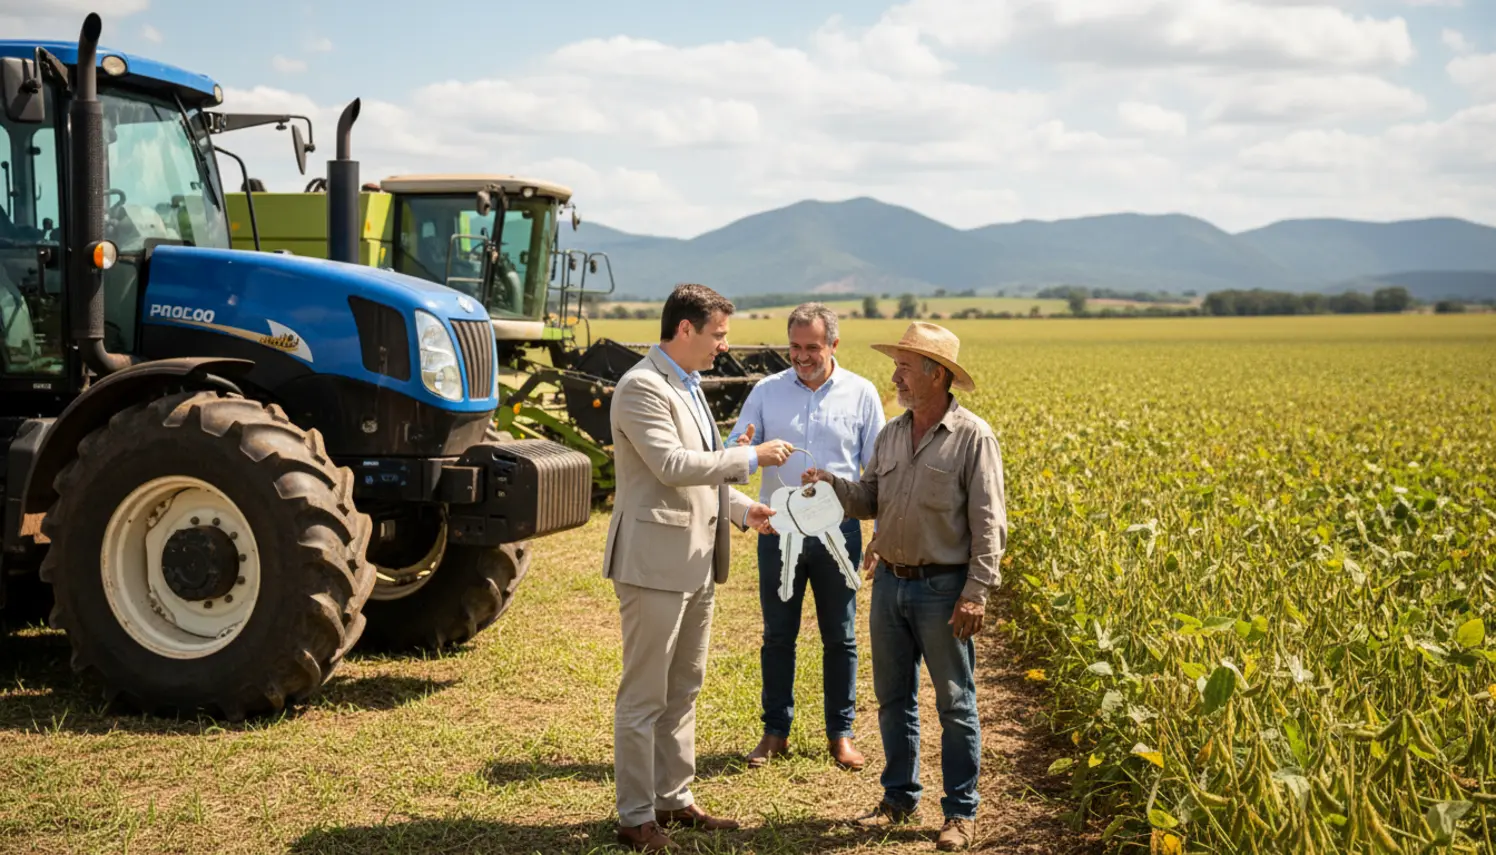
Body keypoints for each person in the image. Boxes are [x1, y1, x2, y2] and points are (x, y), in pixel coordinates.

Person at [802, 321, 1007, 852]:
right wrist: (833, 487)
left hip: (944, 590)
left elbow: (989, 524)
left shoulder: (973, 438)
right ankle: (898, 798)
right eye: (896, 365)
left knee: (956, 703)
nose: (895, 376)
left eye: (905, 366)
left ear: (937, 375)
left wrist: (976, 591)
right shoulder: (892, 433)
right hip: (890, 584)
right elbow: (871, 498)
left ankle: (960, 813)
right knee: (894, 700)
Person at [604, 282, 794, 853]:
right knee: (644, 696)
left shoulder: (686, 383)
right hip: (654, 565)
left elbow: (701, 478)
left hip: (696, 562)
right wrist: (752, 458)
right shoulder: (641, 387)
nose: (722, 347)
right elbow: (671, 465)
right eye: (717, 335)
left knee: (684, 687)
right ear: (684, 329)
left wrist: (743, 510)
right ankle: (635, 816)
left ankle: (674, 798)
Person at [725, 303, 886, 772]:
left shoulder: (862, 393)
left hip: (840, 529)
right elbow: (739, 448)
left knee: (841, 636)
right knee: (778, 635)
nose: (800, 356)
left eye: (811, 347)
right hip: (779, 528)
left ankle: (841, 734)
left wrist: (878, 529)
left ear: (834, 345)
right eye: (794, 347)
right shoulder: (765, 391)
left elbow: (877, 470)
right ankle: (775, 733)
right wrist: (744, 450)